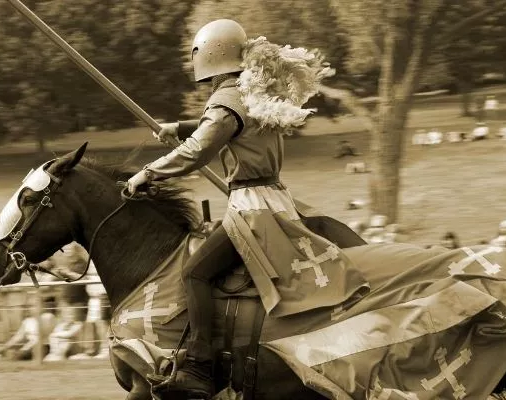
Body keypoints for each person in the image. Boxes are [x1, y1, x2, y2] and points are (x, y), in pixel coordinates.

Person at [125, 19, 368, 398]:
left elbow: (200, 148)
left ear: (207, 56)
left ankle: (201, 367)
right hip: (275, 199)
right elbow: (227, 127)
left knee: (195, 274)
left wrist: (148, 173)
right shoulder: (250, 92)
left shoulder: (225, 100)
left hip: (251, 208)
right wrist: (184, 125)